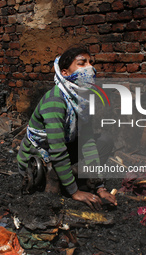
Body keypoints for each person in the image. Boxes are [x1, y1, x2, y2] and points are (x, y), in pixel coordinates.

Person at [17, 46, 117, 210]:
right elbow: (57, 149)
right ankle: (63, 181)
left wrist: (99, 187)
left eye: (91, 63)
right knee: (54, 177)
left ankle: (75, 176)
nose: (90, 68)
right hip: (38, 157)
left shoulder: (82, 101)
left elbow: (88, 142)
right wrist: (75, 192)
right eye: (82, 63)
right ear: (65, 73)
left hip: (60, 149)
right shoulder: (55, 101)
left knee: (104, 141)